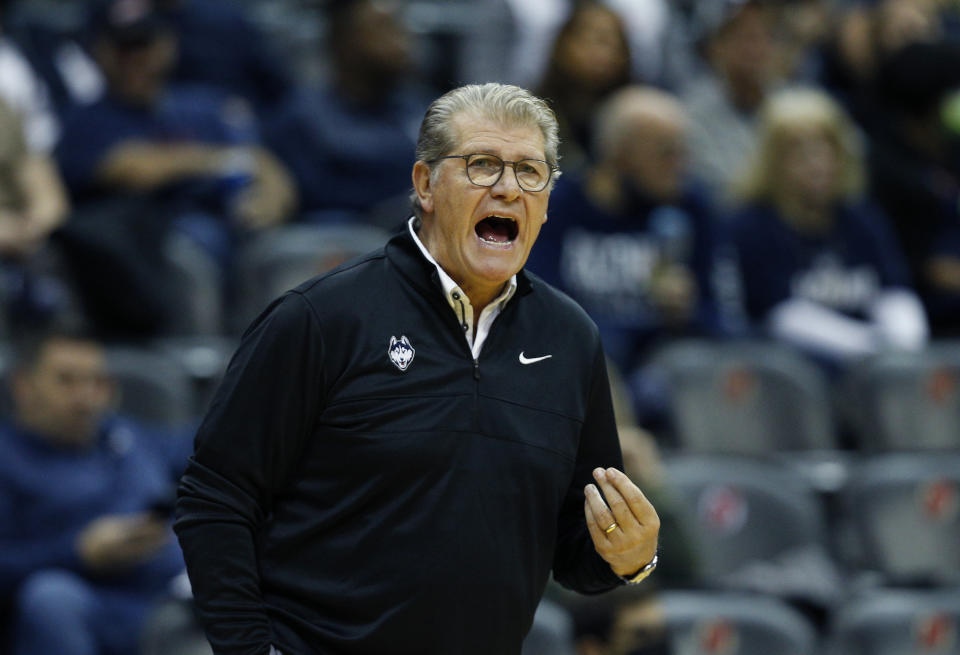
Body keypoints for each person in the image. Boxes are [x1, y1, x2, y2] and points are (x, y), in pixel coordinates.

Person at [175, 82, 660, 655]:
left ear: (548, 201)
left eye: (530, 172)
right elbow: (216, 497)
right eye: (482, 166)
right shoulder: (322, 318)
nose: (508, 188)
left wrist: (629, 558)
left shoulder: (571, 339)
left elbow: (574, 554)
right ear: (425, 185)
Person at [524, 85, 744, 378]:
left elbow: (720, 317)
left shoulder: (691, 205)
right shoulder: (555, 207)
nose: (681, 167)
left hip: (668, 363)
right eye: (667, 153)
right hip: (581, 360)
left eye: (683, 152)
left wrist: (688, 311)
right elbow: (542, 309)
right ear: (619, 154)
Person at [0, 324, 192, 655]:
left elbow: (203, 448)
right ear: (23, 386)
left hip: (178, 599)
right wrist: (78, 553)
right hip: (92, 607)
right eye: (67, 381)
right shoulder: (8, 459)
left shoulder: (121, 433)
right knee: (51, 598)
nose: (87, 398)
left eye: (97, 382)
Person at [730, 87, 928, 366]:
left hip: (875, 377)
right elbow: (780, 316)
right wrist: (868, 346)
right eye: (799, 153)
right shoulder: (752, 226)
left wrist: (906, 345)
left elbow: (894, 292)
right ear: (771, 161)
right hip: (792, 379)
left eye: (827, 149)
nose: (817, 164)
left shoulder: (861, 218)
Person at [264, 0, 427, 221]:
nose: (403, 41)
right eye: (384, 27)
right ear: (344, 39)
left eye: (401, 26)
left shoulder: (422, 111)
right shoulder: (302, 118)